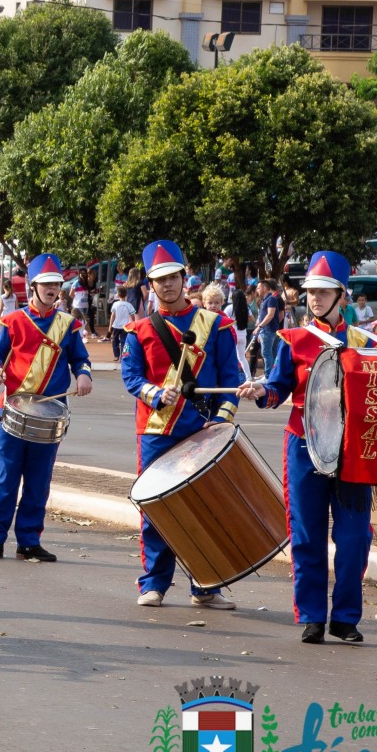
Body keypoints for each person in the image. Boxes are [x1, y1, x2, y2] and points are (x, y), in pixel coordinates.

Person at [237, 252, 377, 645]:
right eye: (310, 292)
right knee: (306, 533)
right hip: (303, 443)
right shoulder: (294, 339)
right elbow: (280, 386)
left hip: (351, 448)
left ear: (342, 297)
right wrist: (262, 389)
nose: (314, 298)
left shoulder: (365, 342)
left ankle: (346, 617)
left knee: (354, 537)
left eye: (323, 292)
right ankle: (313, 615)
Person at [121, 239, 244, 611]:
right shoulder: (138, 330)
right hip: (156, 430)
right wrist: (155, 394)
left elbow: (231, 376)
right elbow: (131, 376)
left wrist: (221, 422)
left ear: (185, 278)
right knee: (156, 509)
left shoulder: (217, 325)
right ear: (150, 285)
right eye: (161, 280)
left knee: (205, 507)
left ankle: (205, 585)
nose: (169, 284)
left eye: (174, 277)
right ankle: (155, 582)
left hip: (201, 430)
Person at [0, 255, 91, 558]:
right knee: (5, 476)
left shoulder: (68, 325)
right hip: (14, 411)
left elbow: (81, 359)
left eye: (56, 284)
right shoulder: (14, 320)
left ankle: (28, 540)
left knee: (38, 480)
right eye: (47, 284)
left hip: (50, 414)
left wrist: (83, 375)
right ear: (33, 287)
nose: (53, 289)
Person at [255, 279, 284, 372]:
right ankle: (272, 374)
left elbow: (270, 314)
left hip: (268, 330)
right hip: (267, 330)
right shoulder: (266, 300)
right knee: (271, 353)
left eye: (258, 288)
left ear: (264, 288)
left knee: (266, 353)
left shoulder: (271, 299)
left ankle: (268, 375)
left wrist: (260, 327)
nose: (257, 290)